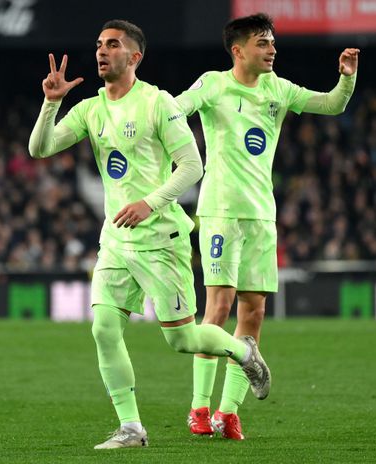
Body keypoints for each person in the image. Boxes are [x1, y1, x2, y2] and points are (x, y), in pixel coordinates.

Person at [28, 19, 270, 450]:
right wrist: (51, 104)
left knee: (182, 339)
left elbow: (192, 166)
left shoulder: (158, 103)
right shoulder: (90, 108)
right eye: (99, 44)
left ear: (134, 57)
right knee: (103, 329)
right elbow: (40, 148)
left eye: (113, 45)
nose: (102, 51)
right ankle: (131, 428)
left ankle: (242, 352)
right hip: (116, 242)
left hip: (160, 239)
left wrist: (149, 203)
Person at [175, 13, 358, 440]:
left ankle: (229, 411)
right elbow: (177, 109)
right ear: (238, 50)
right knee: (217, 309)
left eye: (272, 42)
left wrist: (345, 78)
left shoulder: (280, 89)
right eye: (262, 42)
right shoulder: (214, 84)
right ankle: (199, 408)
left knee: (253, 313)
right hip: (221, 210)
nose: (272, 49)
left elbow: (331, 104)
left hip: (261, 215)